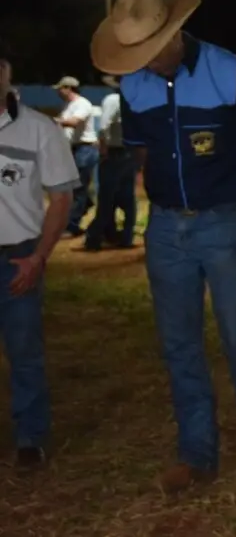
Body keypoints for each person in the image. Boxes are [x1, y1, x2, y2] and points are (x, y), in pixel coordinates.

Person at [89, 0, 236, 494]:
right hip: (164, 229)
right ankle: (196, 453)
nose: (140, 63)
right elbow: (143, 155)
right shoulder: (134, 85)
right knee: (179, 345)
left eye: (147, 50)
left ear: (173, 34)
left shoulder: (230, 72)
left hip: (223, 223)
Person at [0, 55, 79, 470]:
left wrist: (38, 258)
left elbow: (61, 199)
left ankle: (30, 436)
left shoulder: (38, 130)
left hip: (17, 258)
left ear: (6, 74)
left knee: (24, 350)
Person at [84, 75, 137, 250]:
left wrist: (103, 149)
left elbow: (103, 126)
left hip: (115, 153)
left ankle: (95, 236)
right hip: (129, 152)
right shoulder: (135, 99)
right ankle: (125, 236)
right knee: (127, 197)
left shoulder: (113, 99)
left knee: (107, 197)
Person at [52, 76, 98, 236]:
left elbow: (73, 122)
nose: (58, 91)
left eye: (60, 88)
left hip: (84, 149)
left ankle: (71, 225)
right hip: (77, 149)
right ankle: (86, 204)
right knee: (78, 187)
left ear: (68, 88)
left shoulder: (82, 104)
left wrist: (53, 121)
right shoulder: (71, 105)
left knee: (77, 188)